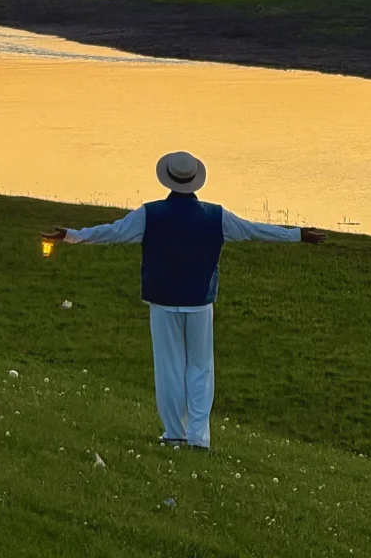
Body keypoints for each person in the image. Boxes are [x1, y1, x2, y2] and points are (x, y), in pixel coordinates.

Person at [41, 150, 326, 451]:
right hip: (199, 300)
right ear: (195, 181)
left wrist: (71, 235)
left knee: (169, 366)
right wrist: (296, 235)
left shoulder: (150, 214)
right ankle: (198, 438)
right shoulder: (216, 215)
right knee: (201, 368)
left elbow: (112, 232)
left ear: (168, 179)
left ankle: (175, 432)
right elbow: (255, 231)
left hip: (162, 299)